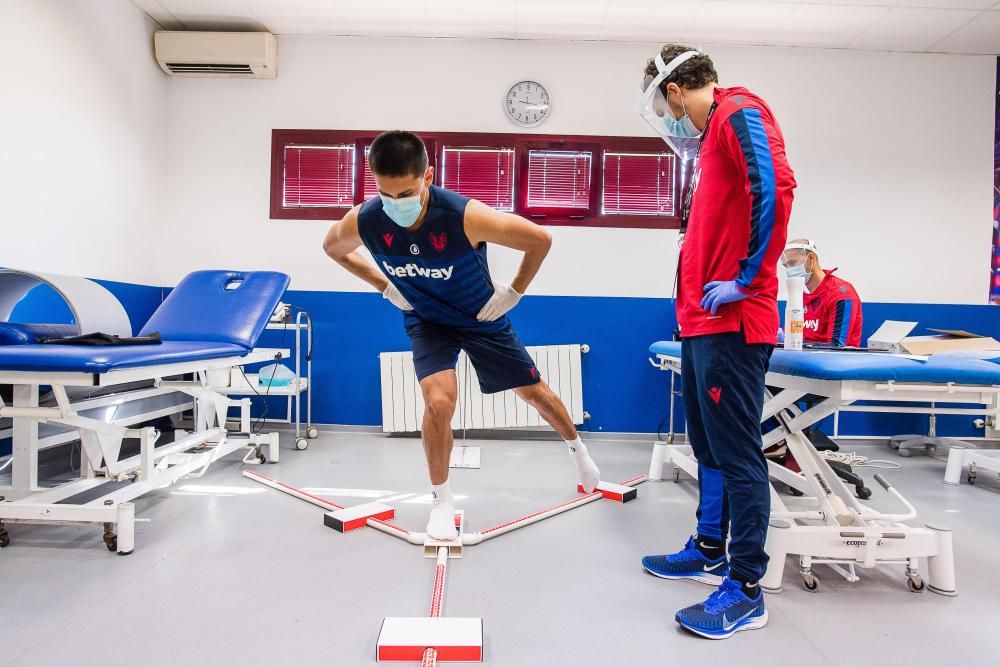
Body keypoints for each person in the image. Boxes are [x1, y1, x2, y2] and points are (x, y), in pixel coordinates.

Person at [322, 131, 601, 541]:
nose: (396, 203)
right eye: (386, 193)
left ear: (428, 176)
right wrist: (384, 286)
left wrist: (515, 291)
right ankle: (441, 499)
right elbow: (333, 248)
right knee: (438, 401)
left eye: (406, 192)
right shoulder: (365, 218)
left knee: (534, 392)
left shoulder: (466, 216)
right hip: (426, 318)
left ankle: (581, 455)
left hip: (481, 316)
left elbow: (539, 240)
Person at [636, 45, 796, 639]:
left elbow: (775, 187)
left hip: (734, 320)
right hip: (703, 321)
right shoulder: (708, 144)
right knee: (707, 446)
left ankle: (747, 588)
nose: (667, 115)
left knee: (738, 453)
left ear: (676, 91)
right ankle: (709, 548)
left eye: (663, 103)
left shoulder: (737, 113)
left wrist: (748, 277)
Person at [781, 239, 863, 348]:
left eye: (792, 263)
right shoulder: (798, 293)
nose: (789, 270)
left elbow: (836, 347)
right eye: (785, 266)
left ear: (811, 258)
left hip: (834, 362)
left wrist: (799, 346)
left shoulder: (841, 294)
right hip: (802, 360)